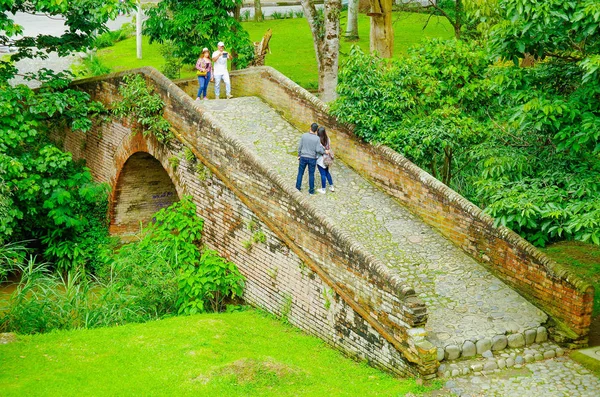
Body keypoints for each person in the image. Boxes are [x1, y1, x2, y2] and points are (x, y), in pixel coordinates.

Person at [296, 123, 325, 195]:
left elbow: (300, 147)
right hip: (312, 158)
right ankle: (311, 190)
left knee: (300, 173)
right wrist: (324, 151)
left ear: (310, 128)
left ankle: (297, 187)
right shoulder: (317, 138)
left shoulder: (304, 136)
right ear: (316, 131)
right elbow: (318, 149)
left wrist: (299, 154)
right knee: (311, 174)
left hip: (303, 157)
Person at [316, 126, 334, 194]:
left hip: (321, 159)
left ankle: (323, 189)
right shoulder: (328, 139)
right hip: (328, 159)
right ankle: (331, 186)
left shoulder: (318, 141)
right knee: (327, 172)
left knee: (322, 174)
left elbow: (318, 150)